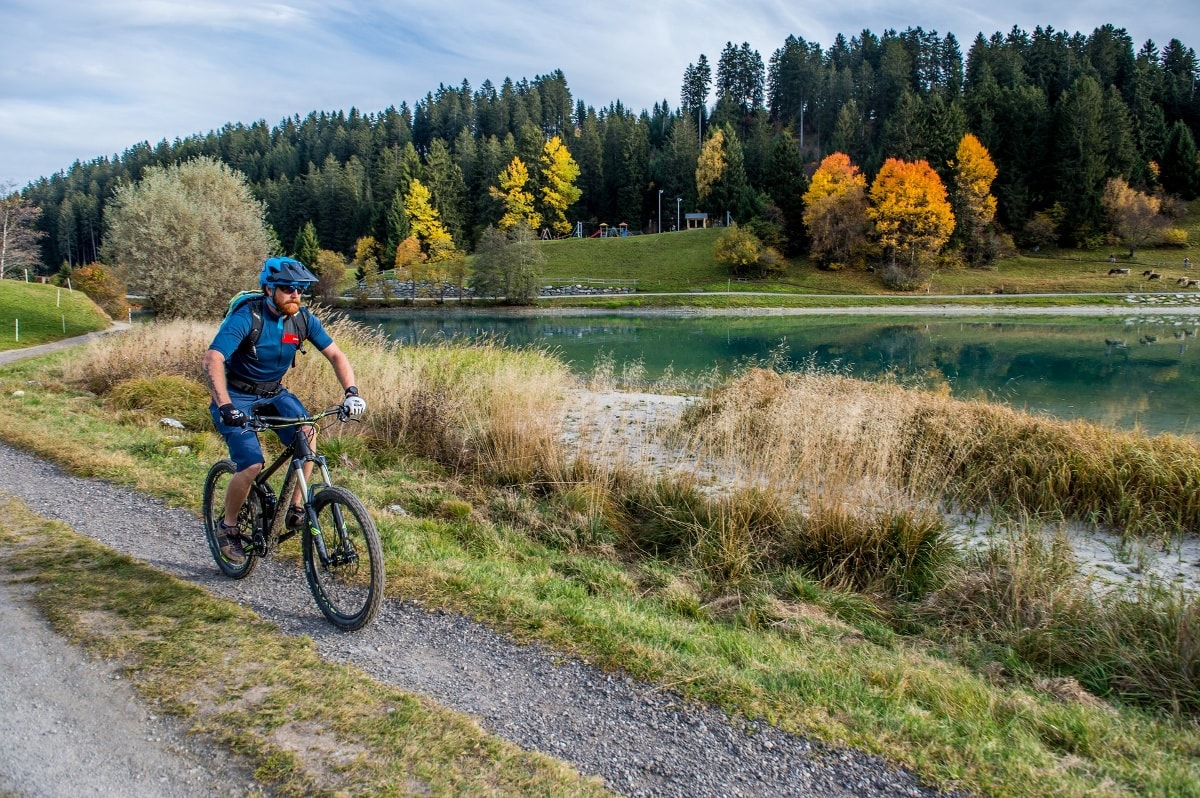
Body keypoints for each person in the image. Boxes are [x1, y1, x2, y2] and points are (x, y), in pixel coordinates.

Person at [203, 256, 366, 564]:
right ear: (268, 290)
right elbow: (212, 359)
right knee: (251, 464)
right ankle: (228, 527)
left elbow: (336, 355)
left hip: (273, 393)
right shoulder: (247, 317)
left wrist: (351, 393)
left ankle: (296, 509)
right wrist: (224, 405)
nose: (296, 295)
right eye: (288, 288)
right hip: (236, 396)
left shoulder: (302, 319)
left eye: (300, 289)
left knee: (308, 432)